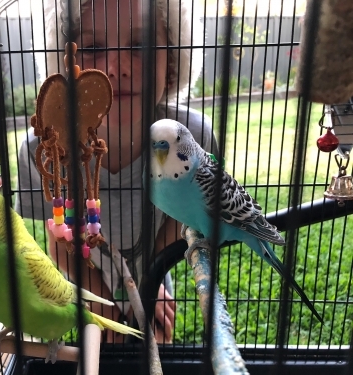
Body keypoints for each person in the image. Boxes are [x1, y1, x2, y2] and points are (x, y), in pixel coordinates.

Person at [15, 0, 218, 344]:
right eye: (92, 47)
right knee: (105, 352)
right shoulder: (45, 149)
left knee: (153, 345)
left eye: (139, 45)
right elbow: (58, 239)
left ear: (172, 60)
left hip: (156, 269)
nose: (116, 66)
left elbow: (186, 216)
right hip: (88, 280)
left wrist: (148, 287)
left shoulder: (191, 136)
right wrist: (105, 306)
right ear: (64, 64)